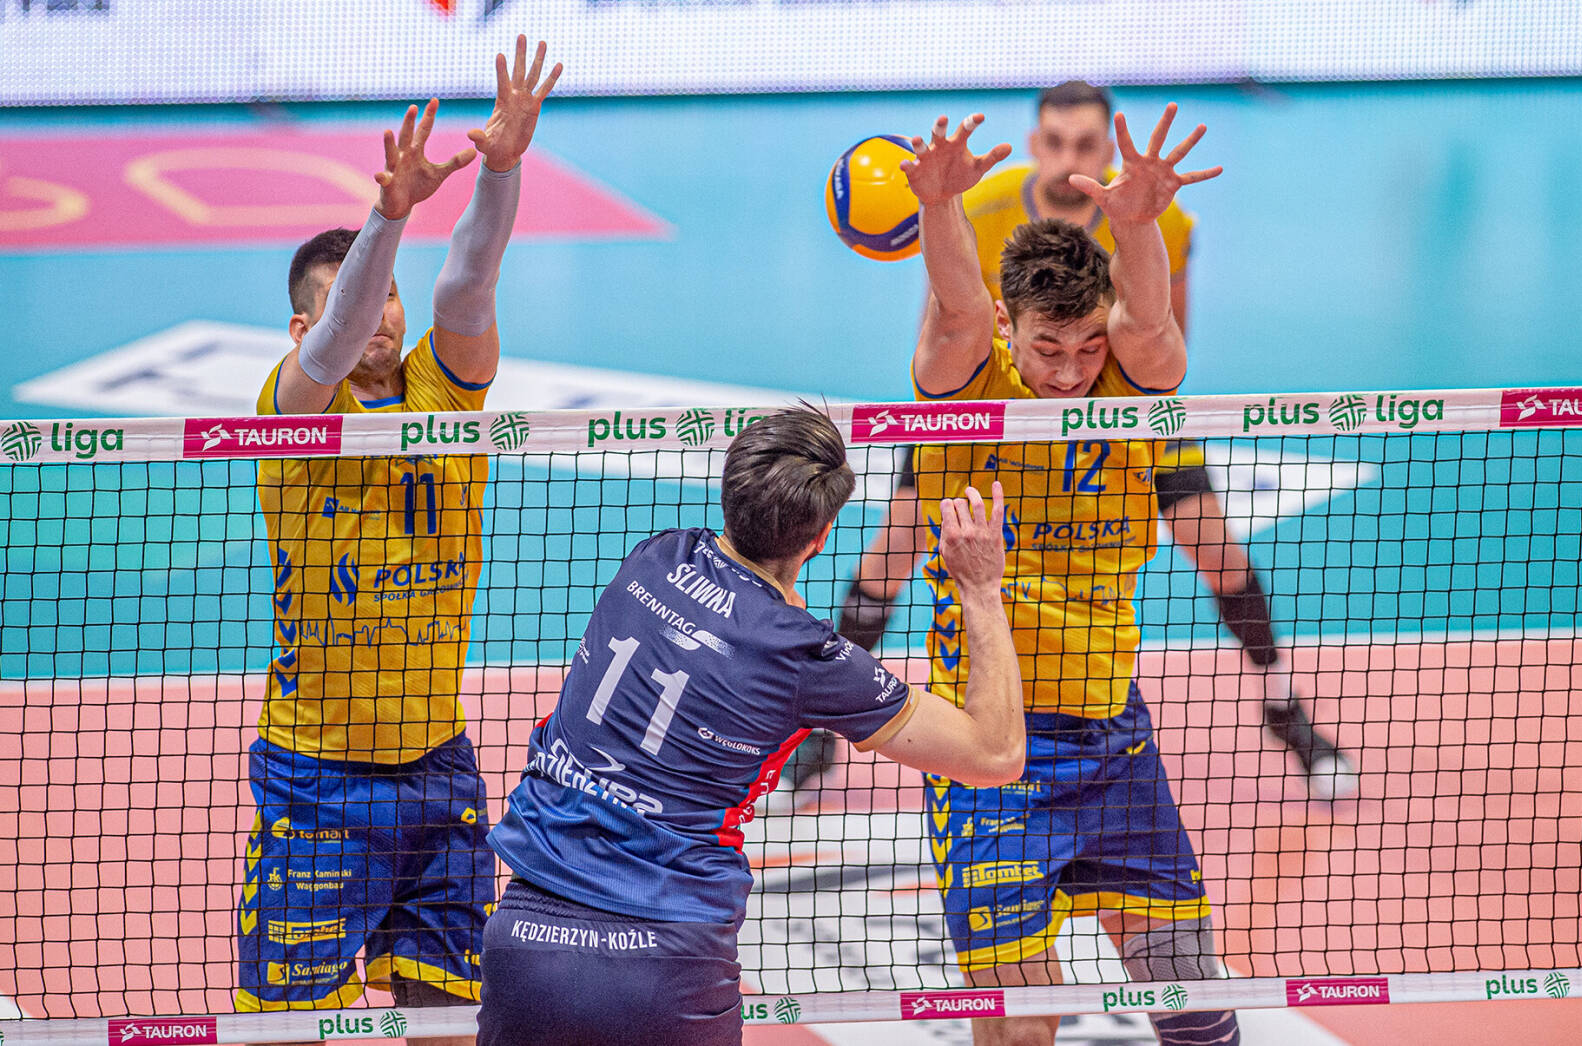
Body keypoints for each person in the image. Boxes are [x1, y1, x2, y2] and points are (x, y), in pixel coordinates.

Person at [820, 81, 1355, 804]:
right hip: (987, 410)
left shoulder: (1161, 216)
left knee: (1221, 557)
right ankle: (820, 733)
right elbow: (950, 319)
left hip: (1116, 408)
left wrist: (1110, 373)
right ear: (1035, 143)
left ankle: (1284, 707)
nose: (1068, 156)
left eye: (1084, 144)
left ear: (1105, 150)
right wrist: (942, 213)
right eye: (1056, 142)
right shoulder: (982, 202)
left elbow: (1160, 336)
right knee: (887, 558)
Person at [477, 406, 1026, 1046]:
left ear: (730, 493)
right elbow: (996, 755)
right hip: (667, 958)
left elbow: (736, 617)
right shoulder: (804, 657)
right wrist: (980, 589)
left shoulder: (654, 558)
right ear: (821, 536)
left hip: (526, 940)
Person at [234, 38, 561, 1040]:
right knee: (290, 1030)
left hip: (438, 769)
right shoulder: (293, 413)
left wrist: (501, 170)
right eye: (349, 299)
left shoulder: (441, 390)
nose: (375, 314)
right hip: (318, 775)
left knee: (454, 1020)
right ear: (299, 329)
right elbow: (337, 341)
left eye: (384, 294)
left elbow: (468, 282)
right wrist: (389, 215)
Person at [901, 108, 1240, 1045]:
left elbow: (1151, 323)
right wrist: (940, 207)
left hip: (1113, 740)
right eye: (1047, 349)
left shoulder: (1129, 389)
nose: (1067, 374)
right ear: (1008, 328)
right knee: (1021, 1025)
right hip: (989, 752)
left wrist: (1138, 224)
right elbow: (956, 310)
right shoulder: (968, 389)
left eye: (1087, 347)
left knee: (1194, 1001)